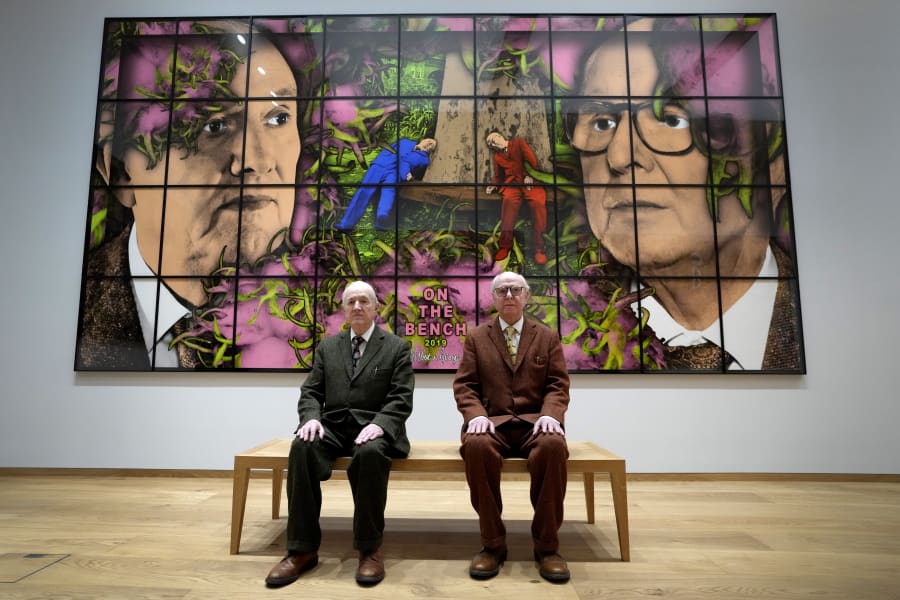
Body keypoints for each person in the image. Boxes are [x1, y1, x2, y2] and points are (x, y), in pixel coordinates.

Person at [565, 17, 801, 370]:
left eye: (673, 119)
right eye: (602, 122)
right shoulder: (552, 325)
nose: (619, 156)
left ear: (775, 165)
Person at [77, 24, 302, 369]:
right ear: (121, 173)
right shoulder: (77, 310)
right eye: (212, 125)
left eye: (278, 118)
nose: (257, 161)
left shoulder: (347, 309)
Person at [265, 280, 415, 588]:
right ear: (344, 309)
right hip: (333, 426)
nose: (357, 306)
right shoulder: (328, 347)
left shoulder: (397, 347)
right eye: (351, 302)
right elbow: (310, 391)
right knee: (302, 447)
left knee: (371, 453)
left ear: (376, 308)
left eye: (364, 301)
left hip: (375, 427)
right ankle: (302, 550)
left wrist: (380, 424)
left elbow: (401, 398)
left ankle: (369, 549)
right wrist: (310, 418)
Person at [453, 271, 571, 582]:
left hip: (536, 423)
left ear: (526, 296)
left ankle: (547, 547)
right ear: (492, 298)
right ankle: (492, 544)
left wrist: (552, 415)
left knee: (553, 446)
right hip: (492, 424)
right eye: (502, 290)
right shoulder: (477, 337)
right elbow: (465, 385)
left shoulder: (547, 336)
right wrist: (475, 415)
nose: (509, 295)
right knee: (476, 446)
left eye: (515, 290)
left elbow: (558, 385)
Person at [336, 137, 437, 231]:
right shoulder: (405, 142)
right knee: (364, 192)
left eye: (431, 145)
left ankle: (381, 220)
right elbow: (389, 150)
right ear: (423, 139)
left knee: (389, 192)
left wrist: (408, 175)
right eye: (428, 141)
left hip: (395, 173)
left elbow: (414, 172)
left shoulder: (424, 160)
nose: (429, 144)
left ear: (430, 151)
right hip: (381, 165)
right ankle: (346, 224)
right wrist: (380, 161)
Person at [484, 131, 548, 265]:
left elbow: (531, 160)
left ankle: (539, 248)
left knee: (538, 204)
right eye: (491, 143)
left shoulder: (519, 143)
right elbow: (498, 176)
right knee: (508, 203)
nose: (494, 143)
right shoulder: (498, 157)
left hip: (528, 181)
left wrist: (529, 174)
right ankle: (505, 246)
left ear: (501, 137)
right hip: (512, 185)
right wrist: (494, 185)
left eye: (494, 139)